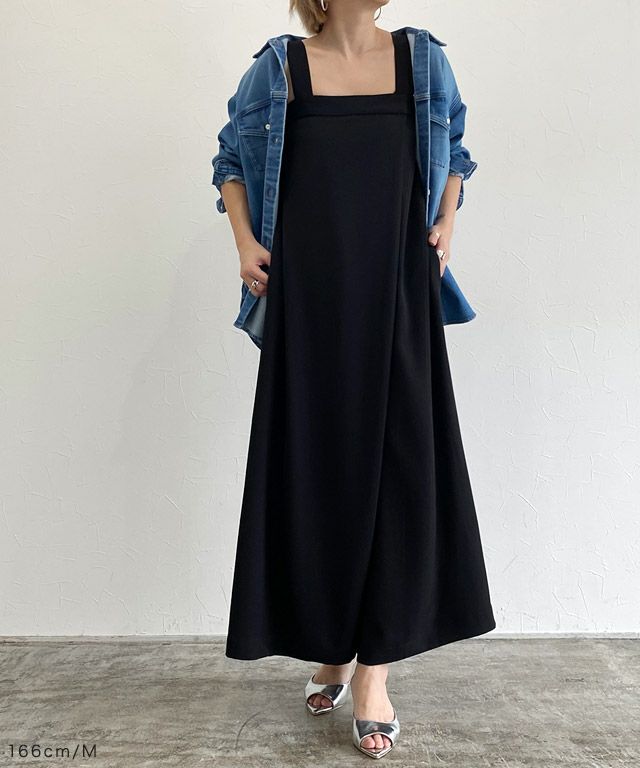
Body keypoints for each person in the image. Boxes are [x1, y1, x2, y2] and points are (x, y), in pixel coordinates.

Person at [211, 0, 496, 759]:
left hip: (398, 292)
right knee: (322, 475)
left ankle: (374, 673)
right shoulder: (279, 68)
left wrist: (447, 220)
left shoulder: (422, 59)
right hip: (310, 301)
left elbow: (455, 150)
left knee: (399, 476)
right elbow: (230, 162)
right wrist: (244, 243)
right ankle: (334, 645)